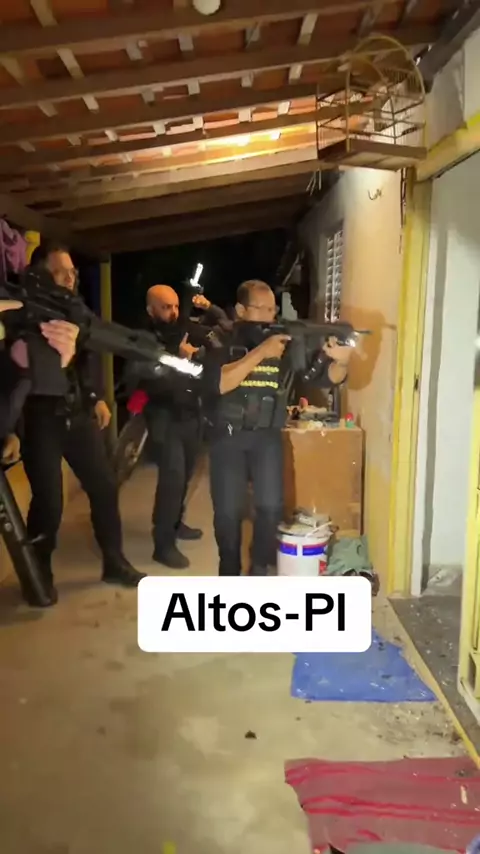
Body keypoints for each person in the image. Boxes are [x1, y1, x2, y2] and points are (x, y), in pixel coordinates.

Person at [8, 243, 145, 607]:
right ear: (40, 275)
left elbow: (83, 362)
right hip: (40, 415)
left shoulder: (72, 310)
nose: (70, 278)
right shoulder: (22, 312)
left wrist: (96, 396)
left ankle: (114, 562)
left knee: (104, 486)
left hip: (77, 412)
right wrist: (11, 429)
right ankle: (38, 573)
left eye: (73, 272)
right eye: (61, 272)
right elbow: (12, 375)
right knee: (49, 501)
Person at [202, 279, 352, 577]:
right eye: (262, 308)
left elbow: (323, 377)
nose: (269, 316)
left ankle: (259, 568)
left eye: (273, 309)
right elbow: (218, 383)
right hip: (228, 436)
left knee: (271, 508)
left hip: (267, 436)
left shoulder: (285, 341)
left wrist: (342, 363)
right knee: (228, 513)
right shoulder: (219, 337)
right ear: (241, 310)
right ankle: (228, 570)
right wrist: (261, 352)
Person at [127, 284, 214, 570]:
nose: (173, 312)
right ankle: (162, 544)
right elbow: (143, 375)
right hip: (163, 414)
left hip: (190, 412)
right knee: (172, 477)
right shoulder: (143, 339)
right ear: (150, 310)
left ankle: (175, 522)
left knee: (186, 472)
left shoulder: (183, 330)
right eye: (166, 307)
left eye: (176, 306)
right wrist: (179, 358)